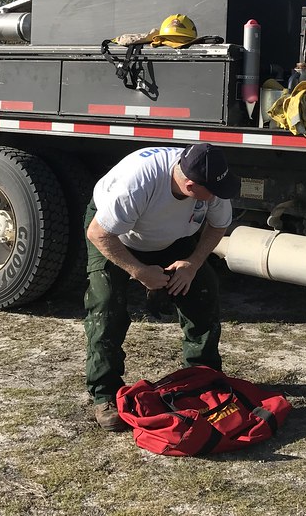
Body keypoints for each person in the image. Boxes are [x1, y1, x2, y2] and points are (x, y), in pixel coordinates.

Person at [83, 143, 241, 431]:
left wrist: (192, 264)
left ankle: (203, 377)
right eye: (213, 193)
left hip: (174, 237)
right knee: (106, 307)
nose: (219, 197)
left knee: (204, 292)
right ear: (190, 186)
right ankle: (104, 393)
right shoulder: (138, 183)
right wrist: (140, 271)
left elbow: (218, 226)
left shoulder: (209, 180)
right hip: (117, 237)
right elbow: (98, 233)